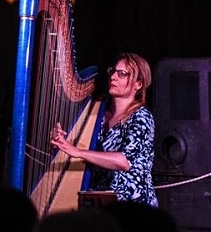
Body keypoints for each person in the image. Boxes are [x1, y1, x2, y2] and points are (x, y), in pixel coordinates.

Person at [50, 52, 159, 207]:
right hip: (99, 201)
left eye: (122, 74)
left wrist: (78, 152)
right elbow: (79, 154)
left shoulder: (141, 117)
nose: (113, 77)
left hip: (132, 204)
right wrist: (60, 142)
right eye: (113, 71)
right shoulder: (97, 114)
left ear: (138, 84)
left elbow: (124, 161)